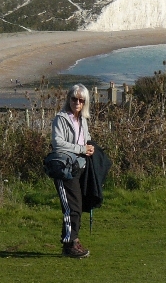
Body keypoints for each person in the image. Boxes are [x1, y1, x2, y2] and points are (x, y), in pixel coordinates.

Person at [51, 84, 95, 258]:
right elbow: (58, 143)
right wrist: (82, 149)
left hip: (79, 168)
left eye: (81, 100)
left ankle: (72, 241)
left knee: (77, 206)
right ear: (68, 99)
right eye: (74, 99)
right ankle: (70, 244)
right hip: (64, 169)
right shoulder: (60, 119)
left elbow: (87, 139)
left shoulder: (83, 120)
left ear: (85, 103)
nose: (77, 102)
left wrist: (91, 148)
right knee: (72, 208)